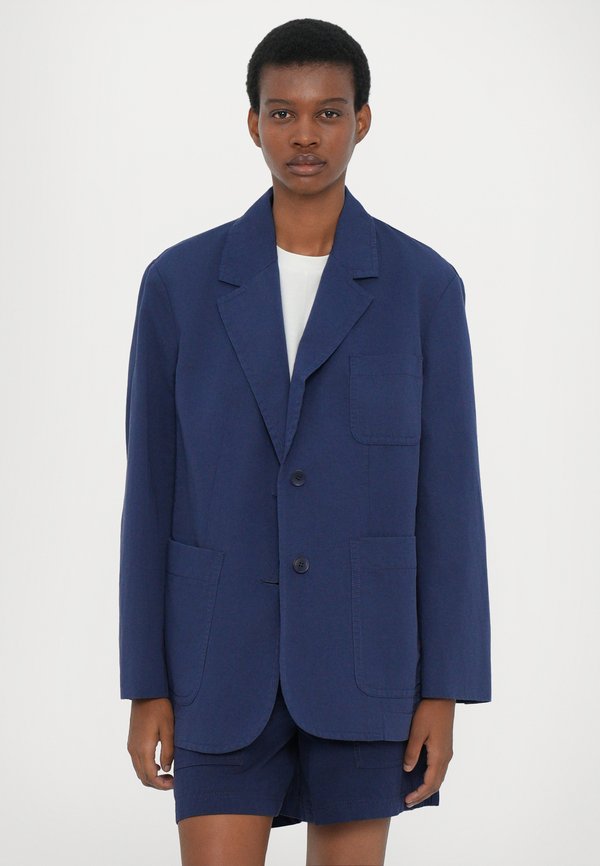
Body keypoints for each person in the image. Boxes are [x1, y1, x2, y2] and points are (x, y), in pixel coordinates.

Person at [119, 17, 492, 866]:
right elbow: (151, 495)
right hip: (217, 664)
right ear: (253, 123)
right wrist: (146, 682)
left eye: (328, 113)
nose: (305, 136)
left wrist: (446, 690)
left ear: (363, 121)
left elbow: (449, 504)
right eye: (283, 114)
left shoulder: (424, 288)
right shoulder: (179, 284)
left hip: (369, 663)